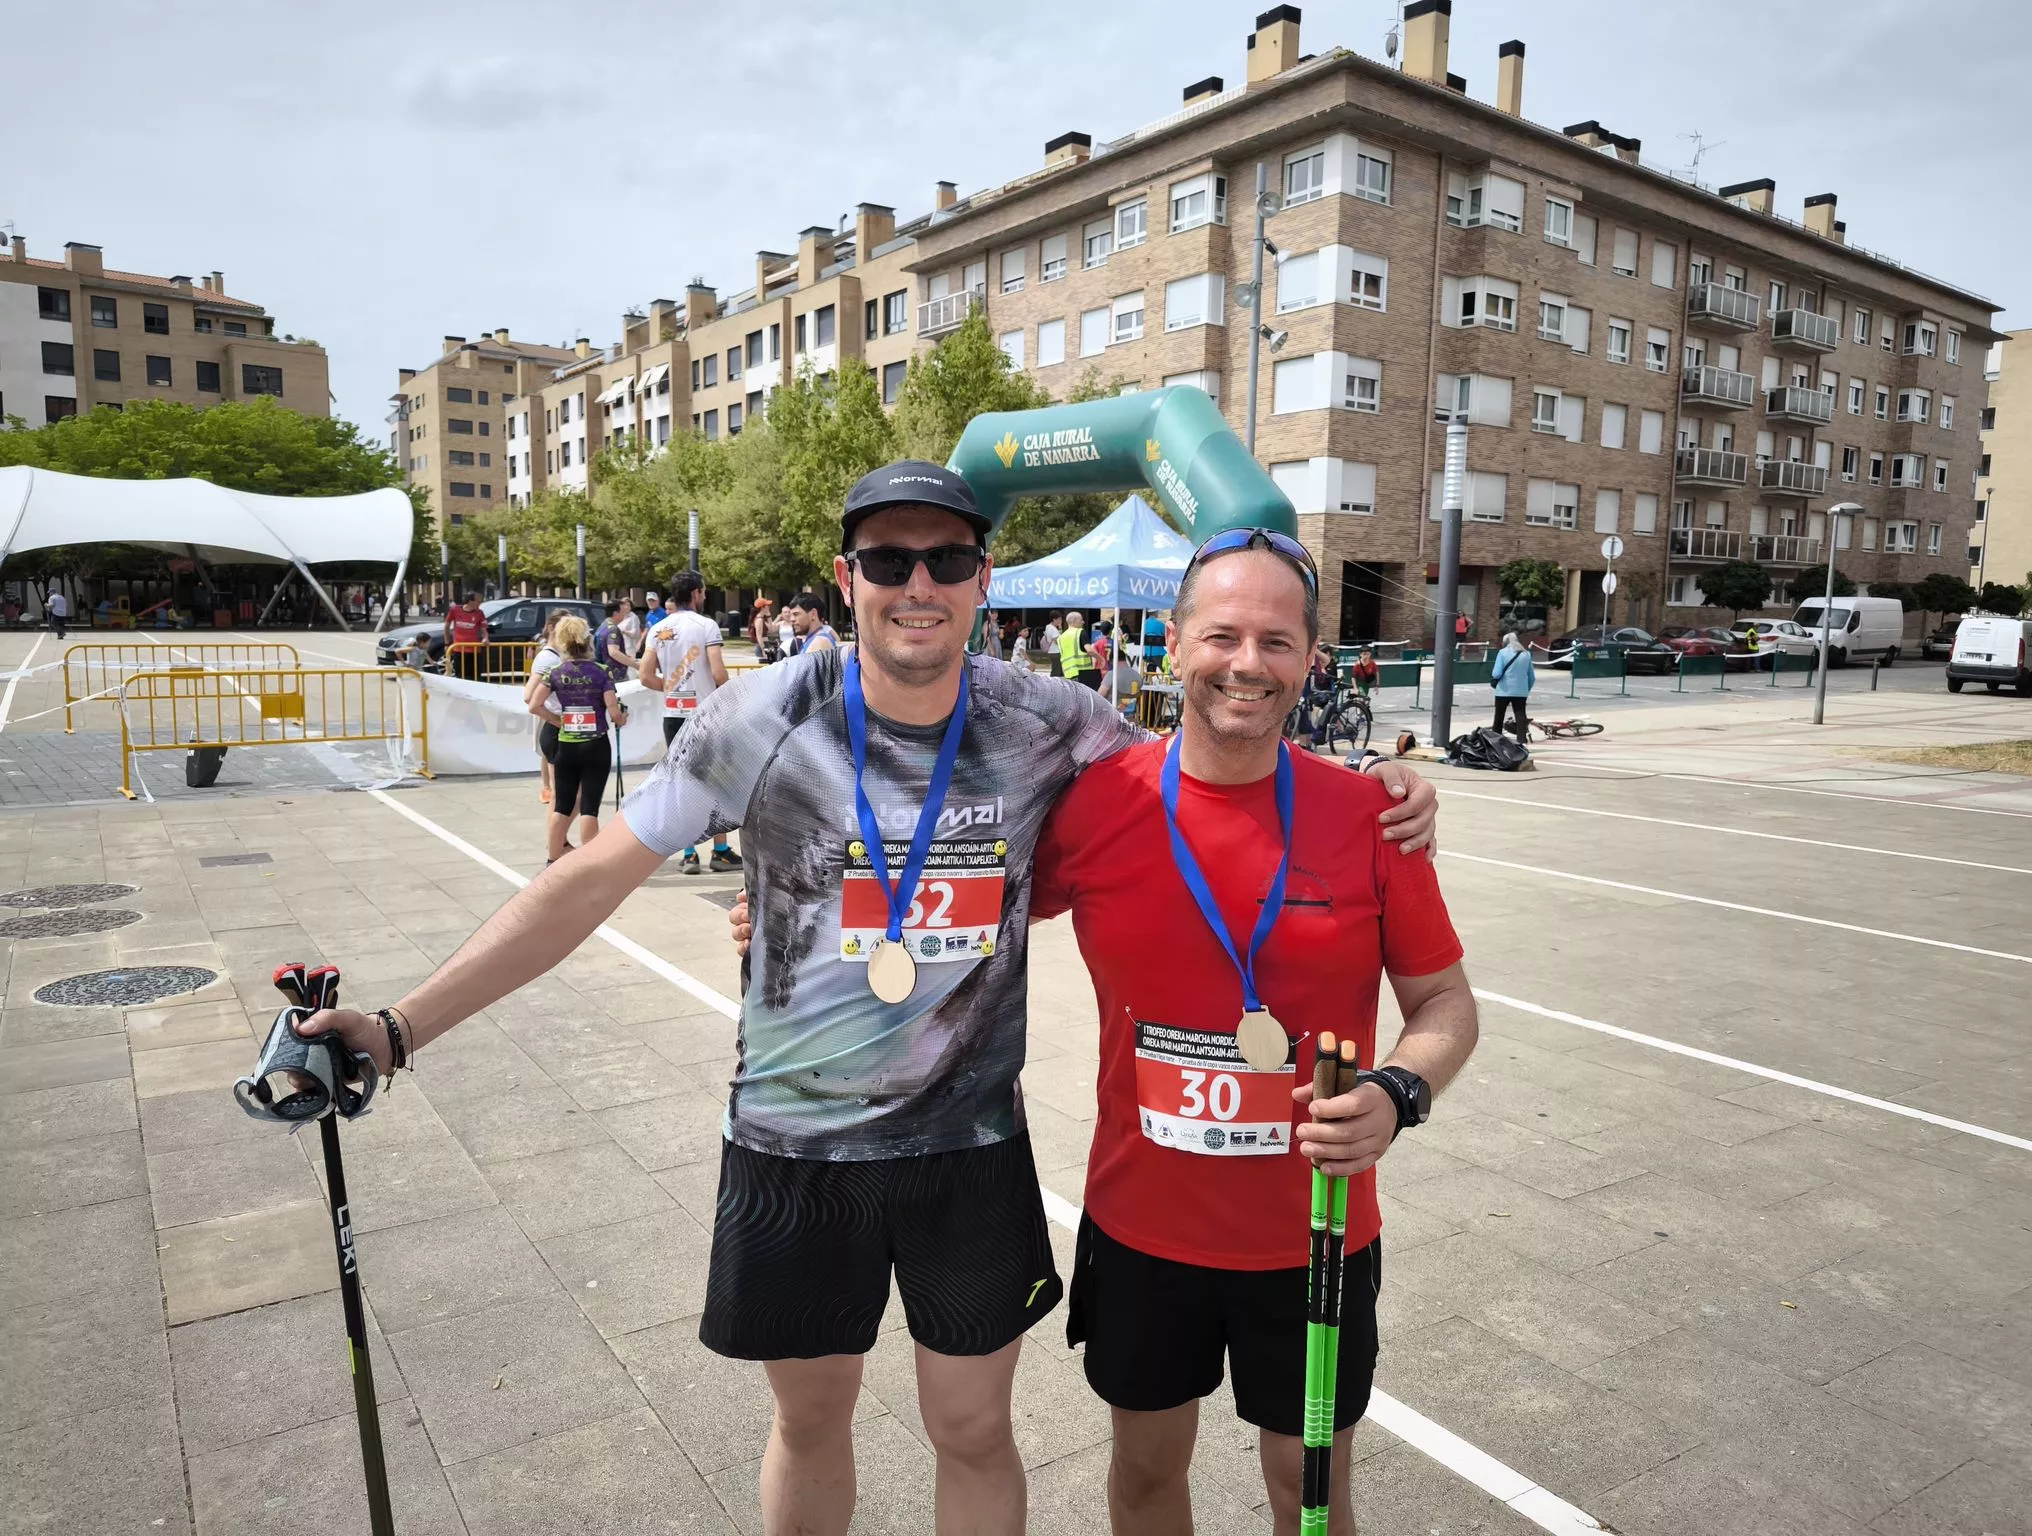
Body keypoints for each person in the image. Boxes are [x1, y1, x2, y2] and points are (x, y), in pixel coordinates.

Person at [293, 462, 1438, 1536]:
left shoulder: (1047, 720)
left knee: (973, 1428)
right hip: (794, 1145)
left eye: (947, 559)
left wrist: (1371, 787)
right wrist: (399, 1028)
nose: (918, 584)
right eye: (889, 560)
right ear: (847, 579)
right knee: (808, 1421)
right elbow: (585, 881)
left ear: (983, 578)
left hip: (968, 1149)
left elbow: (1209, 757)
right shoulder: (757, 718)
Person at [722, 528, 1451, 1536]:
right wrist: (795, 913)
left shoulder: (1371, 815)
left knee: (1308, 1488)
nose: (1246, 663)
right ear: (1172, 645)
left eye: (1276, 642)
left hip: (1314, 1231)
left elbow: (1444, 1006)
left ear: (1309, 659)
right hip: (1143, 1229)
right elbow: (965, 890)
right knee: (1146, 1477)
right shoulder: (1100, 802)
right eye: (1221, 636)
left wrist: (1399, 1091)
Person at [639, 571, 741, 875]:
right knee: (718, 784)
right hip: (706, 715)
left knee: (681, 786)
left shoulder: (659, 628)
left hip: (674, 714)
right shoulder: (706, 625)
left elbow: (645, 676)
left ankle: (689, 853)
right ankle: (720, 851)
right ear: (696, 593)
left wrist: (672, 688)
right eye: (704, 591)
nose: (705, 596)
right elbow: (718, 672)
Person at [528, 615, 626, 862]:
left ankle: (552, 860)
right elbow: (614, 712)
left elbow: (534, 704)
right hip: (596, 745)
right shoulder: (601, 672)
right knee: (589, 807)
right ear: (587, 641)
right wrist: (622, 718)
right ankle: (588, 863)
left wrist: (557, 720)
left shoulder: (555, 672)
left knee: (561, 805)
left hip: (567, 745)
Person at [528, 612, 570, 808]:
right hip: (551, 713)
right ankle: (549, 790)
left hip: (553, 713)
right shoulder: (547, 658)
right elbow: (529, 695)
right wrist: (552, 717)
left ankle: (549, 789)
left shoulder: (555, 655)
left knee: (549, 755)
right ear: (552, 628)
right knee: (550, 755)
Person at [1490, 629, 1534, 742]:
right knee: (1520, 715)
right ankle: (1522, 740)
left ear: (1505, 642)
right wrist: (1526, 689)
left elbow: (1496, 673)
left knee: (1499, 716)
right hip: (1521, 691)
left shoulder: (1502, 653)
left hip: (1503, 690)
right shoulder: (1526, 654)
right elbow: (1532, 677)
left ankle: (1496, 740)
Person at [444, 593, 487, 680]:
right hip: (459, 649)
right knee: (460, 676)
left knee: (476, 677)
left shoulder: (480, 613)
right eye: (478, 602)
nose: (480, 604)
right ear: (471, 601)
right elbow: (446, 626)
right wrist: (447, 643)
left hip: (475, 650)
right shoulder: (455, 610)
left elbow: (484, 630)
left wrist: (485, 638)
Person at [595, 597, 636, 684]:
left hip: (601, 673)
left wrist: (627, 657)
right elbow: (613, 652)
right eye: (622, 612)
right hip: (615, 676)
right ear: (615, 613)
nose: (624, 615)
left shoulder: (602, 626)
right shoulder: (613, 629)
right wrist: (636, 665)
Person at [1058, 611, 1096, 692]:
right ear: (1074, 621)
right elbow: (1090, 651)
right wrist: (1101, 659)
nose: (1083, 622)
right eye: (1081, 620)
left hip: (1068, 674)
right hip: (1083, 673)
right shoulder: (1080, 632)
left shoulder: (1061, 638)